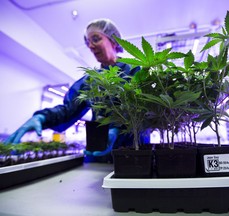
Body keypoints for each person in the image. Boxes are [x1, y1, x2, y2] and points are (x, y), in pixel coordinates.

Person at [5, 18, 146, 157]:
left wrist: (117, 130)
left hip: (134, 155)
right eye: (88, 42)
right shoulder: (90, 81)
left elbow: (142, 109)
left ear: (113, 40)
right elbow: (68, 110)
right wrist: (42, 117)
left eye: (96, 39)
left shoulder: (133, 70)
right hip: (100, 154)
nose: (90, 46)